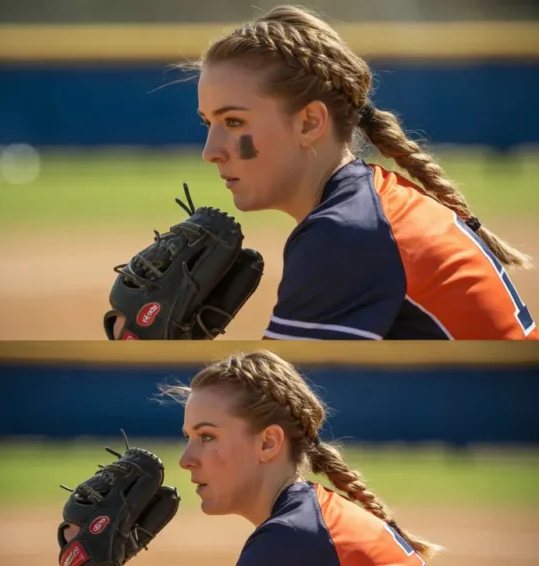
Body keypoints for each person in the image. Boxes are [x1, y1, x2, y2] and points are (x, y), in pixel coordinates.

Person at [66, 349, 475, 566]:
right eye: (188, 438)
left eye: (207, 437)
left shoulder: (298, 537)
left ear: (268, 443)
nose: (186, 459)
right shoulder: (308, 522)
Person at [190, 5, 537, 341]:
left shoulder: (344, 234)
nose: (211, 151)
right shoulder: (374, 204)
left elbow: (274, 401)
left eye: (234, 122)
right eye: (208, 123)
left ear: (309, 122)